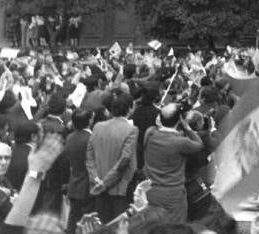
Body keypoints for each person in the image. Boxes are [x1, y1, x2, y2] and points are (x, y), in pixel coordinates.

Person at [141, 102, 204, 223]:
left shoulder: (150, 133)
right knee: (174, 231)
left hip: (150, 191)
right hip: (172, 195)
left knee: (152, 227)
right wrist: (187, 127)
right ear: (179, 120)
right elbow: (199, 145)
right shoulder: (180, 142)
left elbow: (156, 127)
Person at [87, 90, 138, 223]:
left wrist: (96, 178)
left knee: (102, 226)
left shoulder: (98, 126)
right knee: (117, 228)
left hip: (98, 186)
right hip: (119, 188)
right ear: (130, 109)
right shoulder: (131, 130)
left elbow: (89, 156)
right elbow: (124, 160)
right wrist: (105, 182)